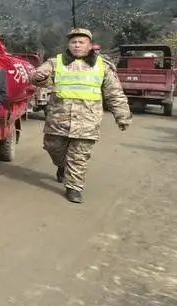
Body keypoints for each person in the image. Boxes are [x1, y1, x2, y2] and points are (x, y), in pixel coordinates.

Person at [30, 27, 131, 204]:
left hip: (87, 121)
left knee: (79, 156)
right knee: (53, 148)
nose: (76, 45)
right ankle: (62, 166)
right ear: (68, 44)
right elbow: (37, 77)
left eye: (81, 42)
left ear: (90, 45)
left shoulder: (103, 66)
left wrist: (122, 116)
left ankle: (74, 187)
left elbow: (114, 93)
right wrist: (39, 76)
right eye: (73, 42)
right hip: (57, 120)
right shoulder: (56, 62)